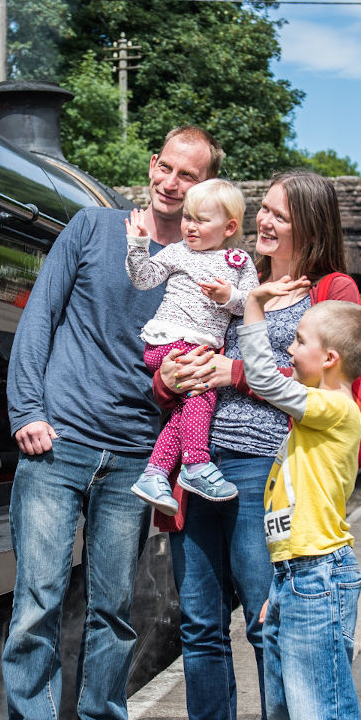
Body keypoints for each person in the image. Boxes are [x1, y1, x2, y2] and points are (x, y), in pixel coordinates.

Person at [0, 127, 222, 720]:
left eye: (189, 175)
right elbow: (37, 321)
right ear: (152, 166)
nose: (173, 183)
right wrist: (25, 411)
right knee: (35, 602)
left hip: (132, 454)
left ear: (203, 184)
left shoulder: (199, 266)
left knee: (115, 608)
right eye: (167, 168)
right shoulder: (90, 228)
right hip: (57, 445)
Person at [150, 172, 360, 720]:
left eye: (279, 215)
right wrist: (171, 376)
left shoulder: (333, 289)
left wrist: (231, 370)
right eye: (262, 211)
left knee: (268, 626)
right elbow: (186, 353)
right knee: (199, 623)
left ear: (311, 225)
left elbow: (333, 382)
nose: (265, 223)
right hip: (201, 458)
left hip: (268, 467)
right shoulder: (231, 271)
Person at [231, 284, 361, 720]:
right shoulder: (317, 414)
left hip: (321, 574)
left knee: (322, 707)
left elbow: (265, 380)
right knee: (286, 708)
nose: (289, 350)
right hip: (294, 576)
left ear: (330, 359)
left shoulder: (336, 409)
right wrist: (273, 591)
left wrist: (253, 311)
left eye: (298, 341)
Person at [125, 178, 259, 513]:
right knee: (203, 391)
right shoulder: (176, 252)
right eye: (187, 217)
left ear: (229, 227)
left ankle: (155, 474)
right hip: (168, 341)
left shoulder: (239, 261)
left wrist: (229, 297)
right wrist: (138, 245)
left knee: (186, 410)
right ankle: (196, 464)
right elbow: (142, 279)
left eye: (201, 220)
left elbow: (254, 307)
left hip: (198, 346)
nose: (190, 226)